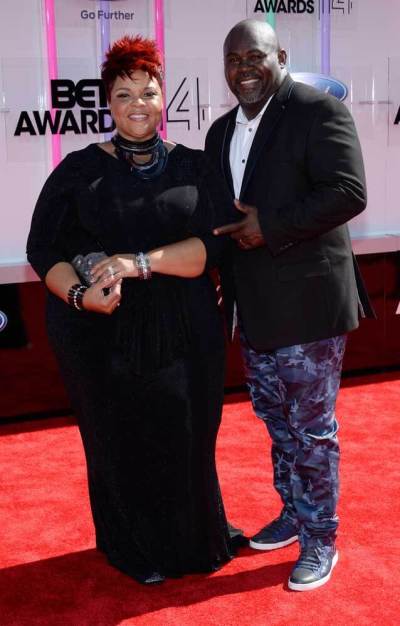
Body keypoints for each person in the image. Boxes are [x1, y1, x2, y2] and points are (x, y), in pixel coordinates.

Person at [27, 35, 241, 584]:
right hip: (103, 330)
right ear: (108, 102)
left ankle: (196, 538)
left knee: (191, 430)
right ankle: (133, 547)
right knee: (120, 438)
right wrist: (79, 294)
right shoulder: (78, 171)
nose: (138, 104)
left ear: (163, 96)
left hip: (188, 324)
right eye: (124, 94)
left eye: (148, 92)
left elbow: (211, 247)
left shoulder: (194, 167)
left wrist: (134, 262)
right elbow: (43, 249)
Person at [205, 19, 373, 591]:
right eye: (234, 59)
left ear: (281, 56)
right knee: (278, 424)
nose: (244, 68)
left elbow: (348, 191)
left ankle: (322, 539)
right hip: (254, 310)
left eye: (256, 56)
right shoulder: (221, 130)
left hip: (309, 307)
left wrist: (269, 227)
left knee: (312, 430)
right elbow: (218, 215)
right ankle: (295, 513)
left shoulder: (316, 110)